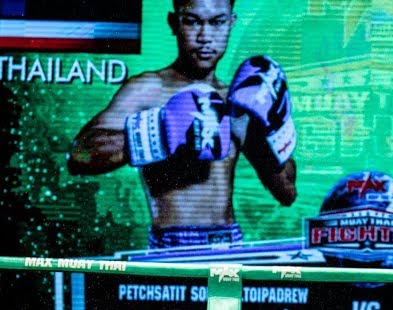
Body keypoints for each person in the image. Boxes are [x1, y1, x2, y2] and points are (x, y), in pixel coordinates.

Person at [67, 0, 297, 251]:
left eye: (217, 22)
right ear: (173, 23)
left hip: (229, 244)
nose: (205, 37)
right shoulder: (148, 89)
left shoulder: (238, 100)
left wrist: (273, 127)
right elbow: (79, 155)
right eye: (192, 21)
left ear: (231, 23)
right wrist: (162, 131)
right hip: (171, 245)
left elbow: (287, 193)